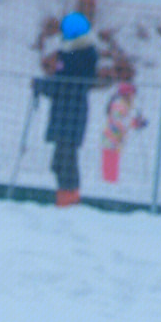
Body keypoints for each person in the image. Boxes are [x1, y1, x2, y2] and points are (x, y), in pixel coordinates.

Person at [32, 11, 98, 206]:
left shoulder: (74, 56)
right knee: (61, 160)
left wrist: (43, 86)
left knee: (64, 161)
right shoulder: (80, 54)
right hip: (69, 113)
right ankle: (67, 197)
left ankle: (69, 199)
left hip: (68, 114)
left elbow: (63, 85)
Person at [100, 81, 147, 183]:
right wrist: (134, 122)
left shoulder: (124, 105)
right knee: (110, 164)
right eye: (132, 95)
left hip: (115, 141)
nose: (133, 97)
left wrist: (136, 122)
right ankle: (108, 182)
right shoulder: (119, 105)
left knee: (113, 163)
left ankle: (110, 181)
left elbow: (124, 121)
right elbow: (118, 121)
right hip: (111, 139)